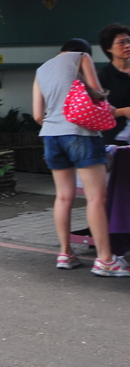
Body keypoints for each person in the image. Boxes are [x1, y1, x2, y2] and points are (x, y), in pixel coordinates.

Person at [33, 38, 128, 276]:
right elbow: (97, 92)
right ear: (86, 52)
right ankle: (105, 260)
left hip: (51, 136)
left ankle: (65, 253)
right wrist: (102, 96)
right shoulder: (82, 57)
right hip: (80, 134)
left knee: (63, 196)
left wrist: (58, 127)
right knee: (96, 198)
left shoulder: (42, 69)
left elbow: (37, 115)